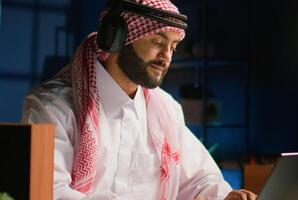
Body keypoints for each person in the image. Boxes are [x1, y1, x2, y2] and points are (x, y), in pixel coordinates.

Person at [21, 0, 257, 199]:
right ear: (115, 38)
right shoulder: (53, 108)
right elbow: (49, 192)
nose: (166, 57)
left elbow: (199, 179)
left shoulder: (166, 110)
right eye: (157, 41)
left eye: (173, 46)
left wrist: (224, 196)